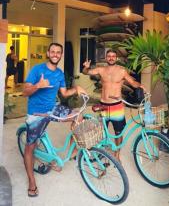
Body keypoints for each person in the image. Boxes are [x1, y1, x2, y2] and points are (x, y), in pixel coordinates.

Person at [23, 42, 86, 197]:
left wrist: (77, 89)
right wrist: (38, 85)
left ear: (61, 55)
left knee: (78, 115)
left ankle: (73, 151)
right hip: (37, 114)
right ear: (48, 53)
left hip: (52, 109)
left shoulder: (59, 73)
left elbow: (64, 93)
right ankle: (31, 182)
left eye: (58, 52)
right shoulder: (37, 70)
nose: (55, 54)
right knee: (30, 147)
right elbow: (25, 91)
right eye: (53, 51)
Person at [83, 49, 145, 162]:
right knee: (101, 130)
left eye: (113, 56)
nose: (111, 58)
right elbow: (86, 72)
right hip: (103, 105)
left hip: (117, 106)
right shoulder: (101, 70)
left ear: (116, 58)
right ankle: (101, 150)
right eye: (109, 56)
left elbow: (132, 82)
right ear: (106, 58)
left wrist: (141, 86)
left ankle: (117, 154)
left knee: (118, 131)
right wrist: (86, 67)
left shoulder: (122, 71)